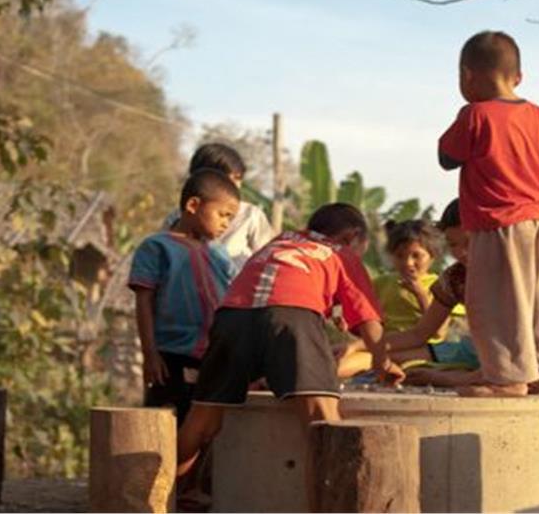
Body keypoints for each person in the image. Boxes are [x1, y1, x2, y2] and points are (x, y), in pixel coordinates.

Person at [176, 203, 405, 478]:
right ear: (351, 237)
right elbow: (368, 319)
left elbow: (274, 291)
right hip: (292, 316)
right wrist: (382, 362)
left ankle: (162, 493)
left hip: (231, 317)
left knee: (202, 422)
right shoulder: (340, 253)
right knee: (323, 423)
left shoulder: (278, 243)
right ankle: (335, 497)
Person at [439, 30, 539, 397]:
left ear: (467, 76)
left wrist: (465, 119)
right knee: (537, 297)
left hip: (498, 224)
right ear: (518, 77)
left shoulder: (475, 115)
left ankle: (508, 378)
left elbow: (447, 157)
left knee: (494, 303)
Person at [129, 169, 240, 424]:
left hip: (212, 357)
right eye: (222, 215)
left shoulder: (219, 254)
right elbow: (144, 301)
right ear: (193, 205)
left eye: (231, 218)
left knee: (205, 428)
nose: (226, 224)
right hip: (170, 355)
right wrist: (150, 353)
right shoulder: (157, 247)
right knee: (164, 424)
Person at [336, 199, 478, 382]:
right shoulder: (453, 279)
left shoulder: (507, 275)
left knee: (390, 364)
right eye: (453, 245)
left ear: (433, 256)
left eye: (469, 243)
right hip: (394, 343)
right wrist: (356, 344)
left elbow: (438, 333)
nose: (462, 253)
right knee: (351, 361)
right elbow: (418, 334)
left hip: (436, 350)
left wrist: (420, 294)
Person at [164, 142, 274, 271]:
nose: (237, 186)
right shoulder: (177, 218)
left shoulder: (250, 215)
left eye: (239, 179)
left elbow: (270, 260)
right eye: (233, 179)